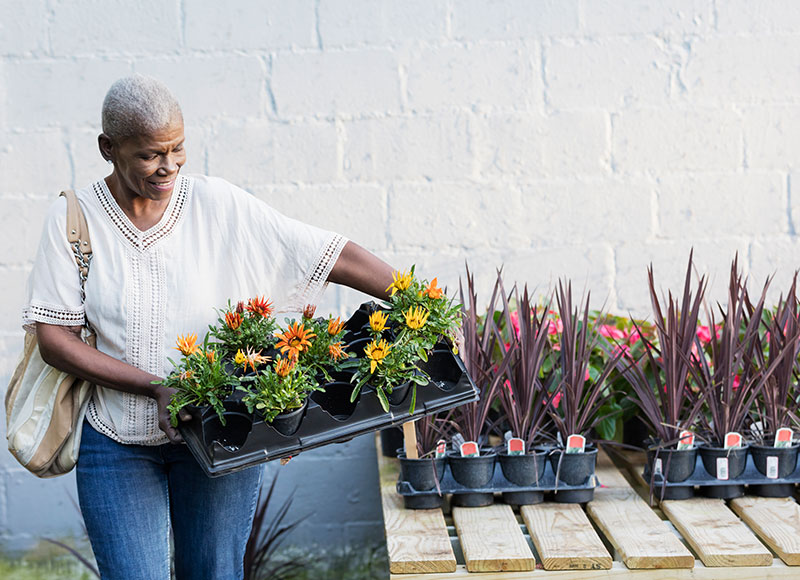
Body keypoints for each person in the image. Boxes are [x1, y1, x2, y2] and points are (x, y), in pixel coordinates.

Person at [23, 74, 395, 580]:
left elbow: (324, 251)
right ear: (108, 148)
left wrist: (418, 297)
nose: (169, 166)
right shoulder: (73, 219)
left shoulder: (217, 205)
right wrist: (156, 387)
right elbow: (54, 340)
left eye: (178, 149)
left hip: (221, 433)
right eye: (151, 154)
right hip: (117, 443)